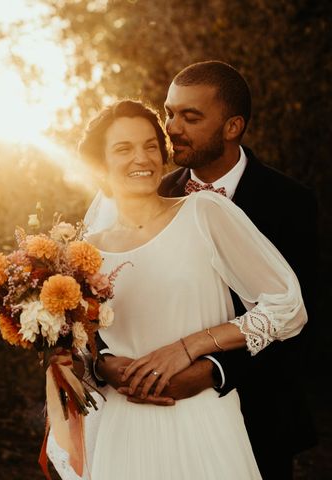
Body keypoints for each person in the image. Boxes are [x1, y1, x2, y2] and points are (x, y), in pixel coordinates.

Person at [49, 98, 306, 479]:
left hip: (203, 419)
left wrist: (191, 346)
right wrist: (101, 365)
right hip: (124, 428)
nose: (143, 158)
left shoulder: (204, 213)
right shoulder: (83, 253)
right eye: (124, 149)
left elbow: (288, 307)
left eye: (151, 145)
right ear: (100, 167)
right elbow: (79, 348)